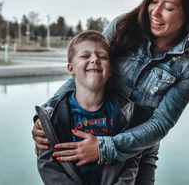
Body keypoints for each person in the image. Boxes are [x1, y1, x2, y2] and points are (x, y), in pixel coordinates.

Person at [32, 0, 189, 184]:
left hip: (136, 153)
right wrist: (46, 118)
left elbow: (161, 123)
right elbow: (83, 75)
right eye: (153, 1)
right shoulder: (121, 27)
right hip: (85, 130)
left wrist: (104, 147)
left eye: (169, 7)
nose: (155, 11)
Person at [36, 31, 140, 185]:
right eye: (85, 56)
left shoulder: (124, 112)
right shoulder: (53, 115)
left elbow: (130, 159)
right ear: (71, 69)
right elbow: (47, 164)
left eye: (102, 56)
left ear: (110, 70)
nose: (94, 60)